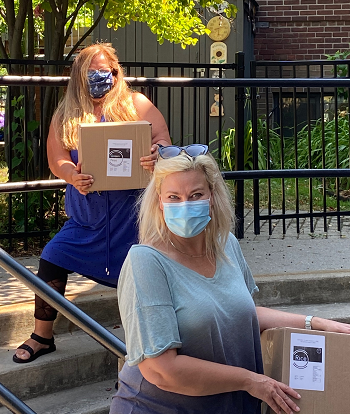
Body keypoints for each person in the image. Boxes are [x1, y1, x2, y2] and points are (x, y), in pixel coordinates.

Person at [110, 145, 350, 414]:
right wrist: (250, 381)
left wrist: (315, 324)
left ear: (212, 196)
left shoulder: (226, 245)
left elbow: (238, 313)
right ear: (159, 201)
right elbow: (162, 370)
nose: (185, 205)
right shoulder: (145, 261)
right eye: (174, 197)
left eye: (196, 195)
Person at [13, 43, 172, 363]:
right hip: (86, 218)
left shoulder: (137, 104)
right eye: (91, 72)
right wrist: (71, 174)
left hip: (133, 219)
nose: (99, 77)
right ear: (78, 75)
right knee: (53, 257)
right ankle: (42, 336)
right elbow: (57, 159)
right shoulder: (66, 113)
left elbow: (163, 141)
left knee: (145, 277)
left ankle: (153, 341)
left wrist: (158, 153)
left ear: (116, 72)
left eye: (104, 71)